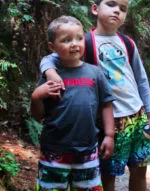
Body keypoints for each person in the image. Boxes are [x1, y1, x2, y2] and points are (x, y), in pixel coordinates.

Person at [40, 0, 150, 191]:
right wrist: (49, 71)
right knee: (108, 175)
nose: (116, 11)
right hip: (111, 120)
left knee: (140, 169)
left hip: (138, 115)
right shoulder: (83, 42)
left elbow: (141, 79)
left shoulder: (127, 43)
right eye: (110, 5)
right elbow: (51, 57)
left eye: (123, 8)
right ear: (95, 9)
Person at [31, 15, 115, 191]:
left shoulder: (95, 73)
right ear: (52, 47)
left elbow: (106, 104)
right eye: (66, 40)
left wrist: (109, 135)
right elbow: (38, 115)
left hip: (88, 151)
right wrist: (36, 97)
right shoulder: (49, 76)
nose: (75, 43)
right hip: (53, 150)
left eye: (78, 38)